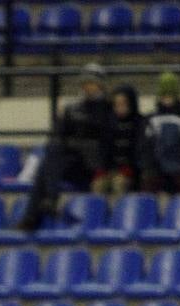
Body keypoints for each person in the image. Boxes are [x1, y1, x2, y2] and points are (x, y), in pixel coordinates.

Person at [19, 62, 114, 231]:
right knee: (49, 158)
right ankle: (47, 202)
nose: (88, 87)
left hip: (91, 167)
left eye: (91, 83)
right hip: (71, 161)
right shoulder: (73, 108)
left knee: (48, 165)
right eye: (85, 83)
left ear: (100, 85)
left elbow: (102, 142)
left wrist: (72, 141)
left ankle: (33, 216)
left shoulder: (107, 109)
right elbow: (57, 135)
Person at [140, 71, 180, 194]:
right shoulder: (151, 119)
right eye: (164, 95)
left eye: (171, 95)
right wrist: (149, 165)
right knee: (149, 182)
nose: (167, 99)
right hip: (156, 168)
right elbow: (145, 146)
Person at [92, 84, 143, 198]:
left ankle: (119, 214)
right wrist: (101, 169)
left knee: (119, 184)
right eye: (116, 105)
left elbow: (139, 152)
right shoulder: (109, 123)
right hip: (110, 169)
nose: (120, 108)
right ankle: (98, 214)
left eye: (123, 104)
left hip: (130, 171)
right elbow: (103, 150)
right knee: (98, 185)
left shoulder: (139, 123)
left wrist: (130, 169)